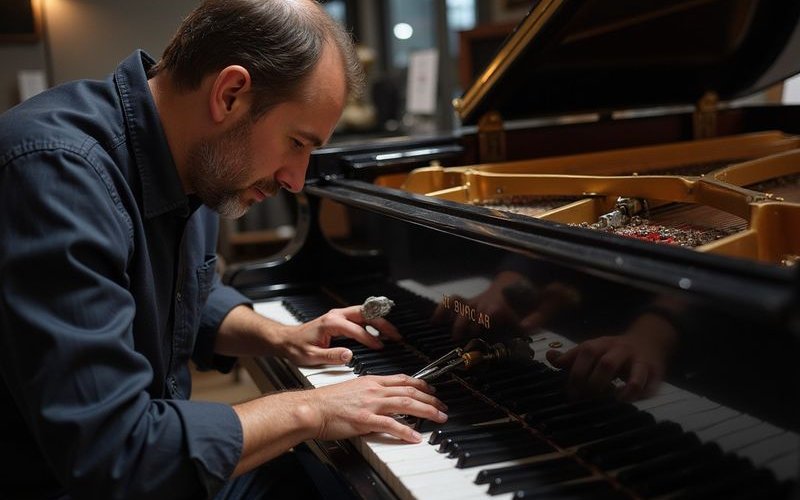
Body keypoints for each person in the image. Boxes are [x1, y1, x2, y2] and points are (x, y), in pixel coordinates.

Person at [0, 1, 447, 498]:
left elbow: (189, 295)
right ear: (230, 94)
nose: (297, 180)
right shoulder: (55, 176)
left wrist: (283, 337)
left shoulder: (192, 161)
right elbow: (115, 454)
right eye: (297, 143)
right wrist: (313, 409)